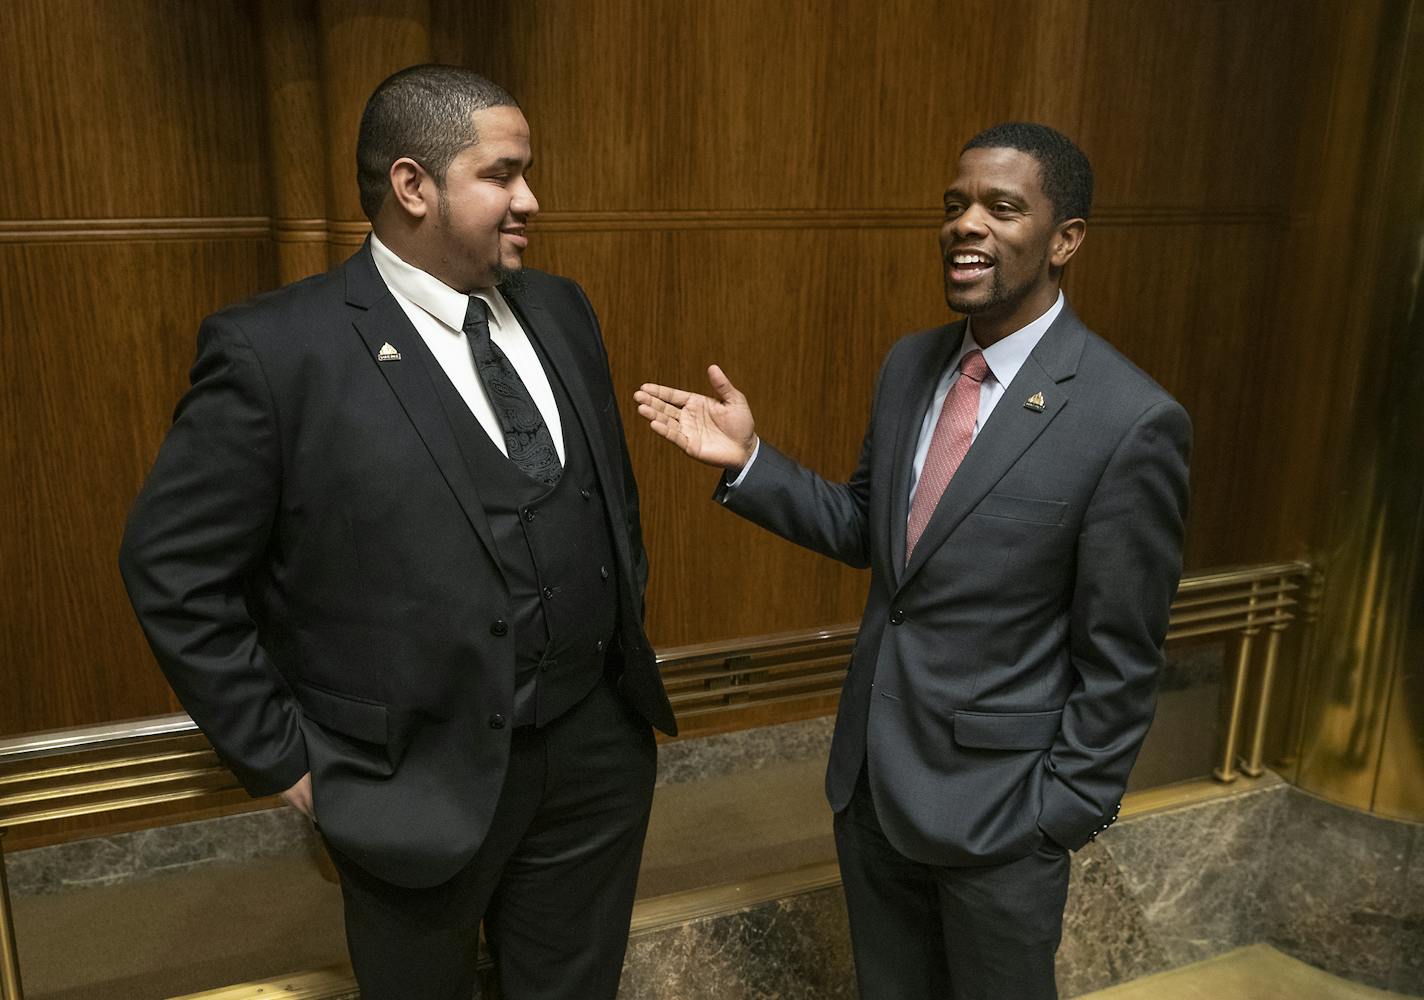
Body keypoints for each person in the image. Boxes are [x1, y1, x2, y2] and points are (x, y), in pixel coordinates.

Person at [120, 64, 674, 1000]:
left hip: (594, 758)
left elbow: (603, 502)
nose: (530, 199)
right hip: (413, 784)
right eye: (501, 175)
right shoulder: (277, 351)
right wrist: (282, 757)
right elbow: (169, 566)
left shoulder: (561, 309)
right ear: (413, 185)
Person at [635, 122, 1190, 999]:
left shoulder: (1129, 422)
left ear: (1065, 240)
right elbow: (871, 530)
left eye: (1001, 208)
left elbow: (1122, 656)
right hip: (871, 795)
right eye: (955, 205)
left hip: (1004, 821)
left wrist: (1059, 815)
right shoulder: (910, 366)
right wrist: (749, 462)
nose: (966, 224)